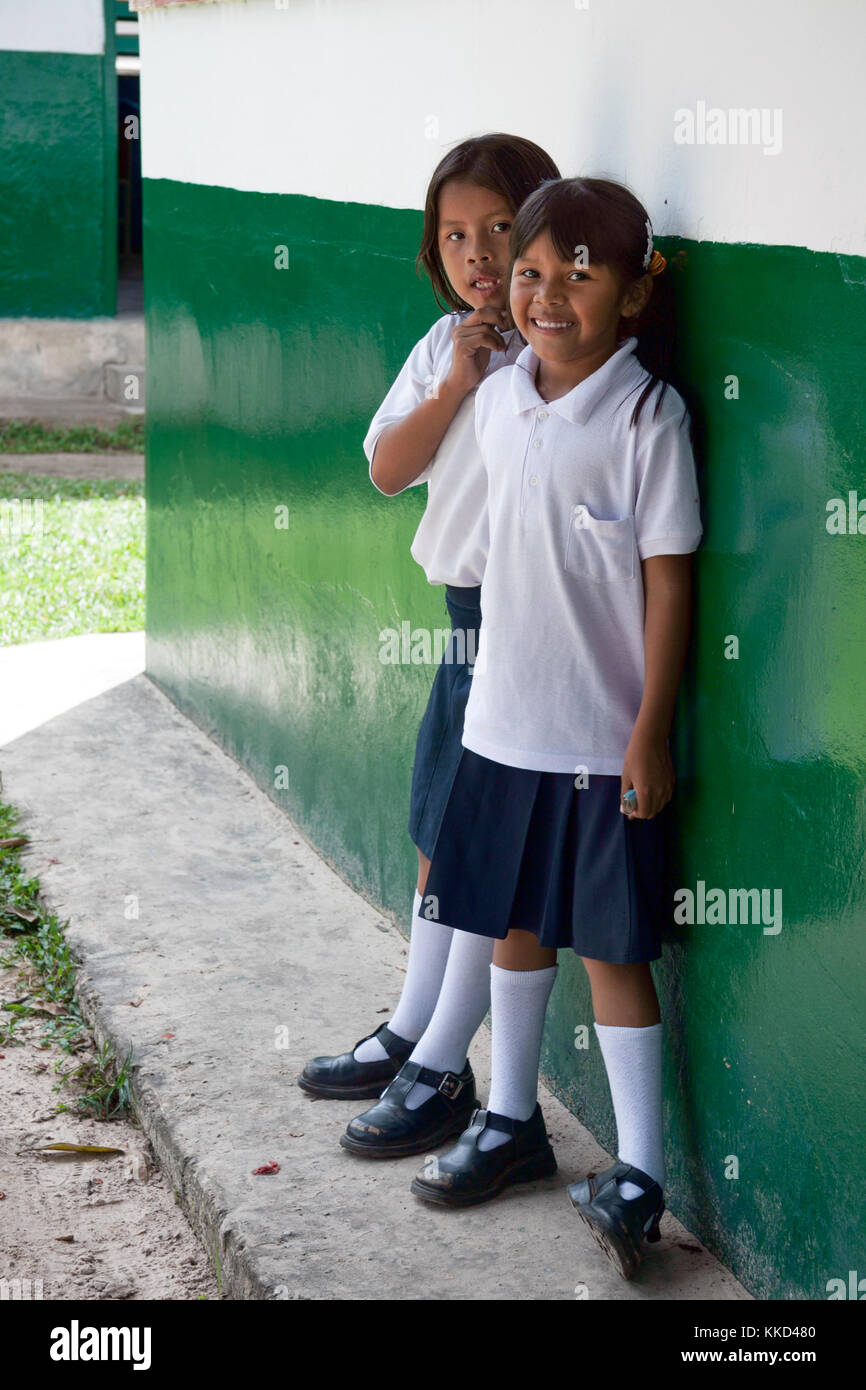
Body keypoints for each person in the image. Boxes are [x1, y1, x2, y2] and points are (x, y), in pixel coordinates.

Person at [397, 176, 702, 1281]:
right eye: (528, 273)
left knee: (613, 949)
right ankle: (511, 1116)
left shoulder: (643, 416)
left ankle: (637, 1169)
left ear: (631, 294)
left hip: (598, 743)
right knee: (511, 928)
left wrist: (647, 734)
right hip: (500, 728)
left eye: (579, 273)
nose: (546, 294)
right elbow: (433, 504)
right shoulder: (500, 395)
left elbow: (667, 586)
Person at [298, 135, 561, 1158]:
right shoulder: (442, 346)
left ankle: (443, 1066)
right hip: (458, 621)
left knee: (482, 843)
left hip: (527, 624)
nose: (478, 253)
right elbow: (385, 468)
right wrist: (452, 380)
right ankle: (414, 1024)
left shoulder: (553, 348)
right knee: (433, 824)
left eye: (500, 227)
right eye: (455, 235)